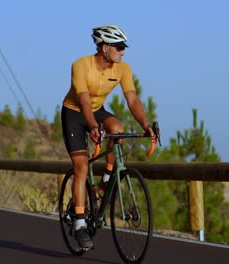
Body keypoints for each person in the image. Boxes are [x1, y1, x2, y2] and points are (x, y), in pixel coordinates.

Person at [61, 24, 154, 249]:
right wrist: (93, 126)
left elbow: (132, 99)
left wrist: (145, 125)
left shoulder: (123, 69)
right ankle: (80, 223)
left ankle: (106, 181)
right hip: (74, 112)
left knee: (117, 128)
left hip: (97, 110)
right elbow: (83, 100)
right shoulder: (81, 65)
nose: (123, 51)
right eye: (119, 47)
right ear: (104, 48)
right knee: (82, 166)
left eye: (124, 47)